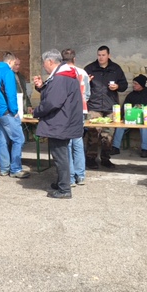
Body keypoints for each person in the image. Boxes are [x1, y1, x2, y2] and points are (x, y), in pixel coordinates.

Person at [32, 50, 83, 199]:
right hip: (65, 121)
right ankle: (62, 182)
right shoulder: (65, 75)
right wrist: (41, 87)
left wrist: (37, 111)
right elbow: (54, 94)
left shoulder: (60, 78)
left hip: (60, 122)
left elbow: (52, 102)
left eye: (44, 63)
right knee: (62, 154)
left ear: (50, 62)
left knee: (60, 156)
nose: (43, 66)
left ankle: (64, 189)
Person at [84, 45, 128, 169]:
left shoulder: (116, 68)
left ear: (109, 55)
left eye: (103, 55)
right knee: (93, 134)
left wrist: (118, 86)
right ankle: (90, 159)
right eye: (99, 55)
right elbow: (80, 85)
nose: (101, 57)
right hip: (94, 106)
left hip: (110, 106)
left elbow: (124, 85)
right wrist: (86, 82)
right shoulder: (90, 68)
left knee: (108, 135)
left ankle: (105, 158)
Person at [0, 51, 29, 178]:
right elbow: (11, 93)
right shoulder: (8, 73)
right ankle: (15, 169)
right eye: (14, 63)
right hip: (7, 111)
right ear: (10, 62)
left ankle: (4, 168)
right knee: (19, 139)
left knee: (2, 140)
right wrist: (15, 111)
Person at [61, 48, 90, 186]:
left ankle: (70, 177)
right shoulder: (83, 72)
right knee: (78, 142)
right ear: (74, 59)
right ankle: (81, 175)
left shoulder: (61, 73)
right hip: (81, 110)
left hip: (67, 112)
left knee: (67, 144)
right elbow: (87, 94)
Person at [110, 74, 147, 158]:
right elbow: (124, 107)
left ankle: (144, 149)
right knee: (120, 127)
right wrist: (122, 118)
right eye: (133, 83)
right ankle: (115, 147)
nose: (133, 85)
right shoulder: (131, 95)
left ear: (141, 85)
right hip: (131, 119)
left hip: (144, 120)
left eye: (136, 84)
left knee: (144, 128)